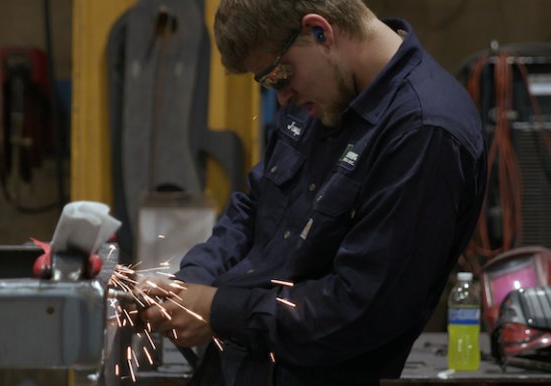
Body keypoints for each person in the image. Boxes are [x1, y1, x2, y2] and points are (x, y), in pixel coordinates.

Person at [141, 1, 486, 384]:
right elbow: (254, 208)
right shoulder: (317, 95)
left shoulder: (424, 131)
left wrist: (220, 311)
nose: (282, 98)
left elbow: (361, 309)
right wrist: (193, 279)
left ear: (320, 31)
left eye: (279, 77)